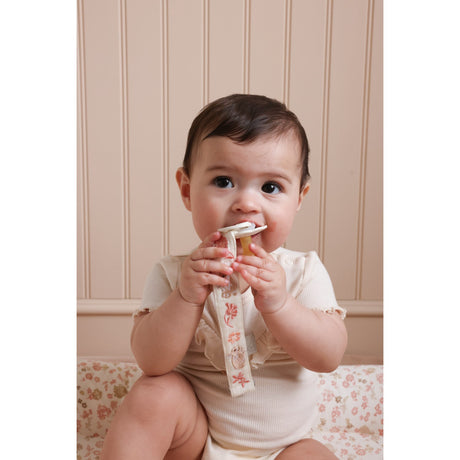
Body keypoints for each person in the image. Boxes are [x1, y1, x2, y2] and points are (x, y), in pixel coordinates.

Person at [101, 94, 347, 460]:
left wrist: (280, 305)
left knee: (315, 456)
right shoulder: (174, 273)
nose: (246, 203)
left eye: (270, 187)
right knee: (154, 395)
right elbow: (151, 362)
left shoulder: (303, 271)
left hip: (285, 448)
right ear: (187, 190)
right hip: (194, 441)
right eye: (223, 181)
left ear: (298, 197)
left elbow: (328, 356)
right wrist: (186, 298)